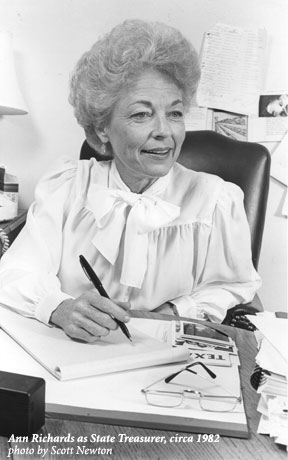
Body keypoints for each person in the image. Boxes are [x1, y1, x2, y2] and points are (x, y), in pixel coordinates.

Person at [0, 19, 261, 342]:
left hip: (171, 360)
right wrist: (59, 308)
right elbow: (16, 272)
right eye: (142, 114)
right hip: (73, 355)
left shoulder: (215, 199)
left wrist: (175, 312)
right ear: (101, 129)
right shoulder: (67, 187)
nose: (165, 131)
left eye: (175, 113)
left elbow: (233, 285)